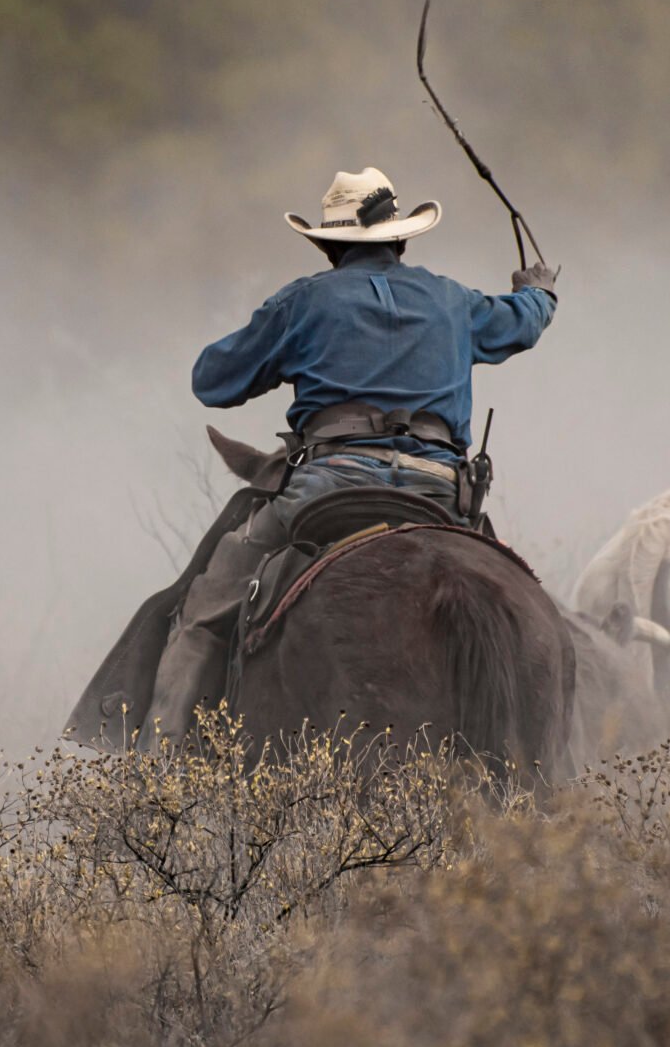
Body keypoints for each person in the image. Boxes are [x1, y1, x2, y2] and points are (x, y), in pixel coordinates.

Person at [145, 166, 559, 745]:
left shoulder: (304, 302)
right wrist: (538, 290)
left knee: (204, 609)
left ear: (330, 246)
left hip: (329, 489)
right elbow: (523, 323)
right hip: (439, 489)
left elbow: (212, 380)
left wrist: (283, 350)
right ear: (402, 237)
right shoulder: (452, 300)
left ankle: (157, 778)